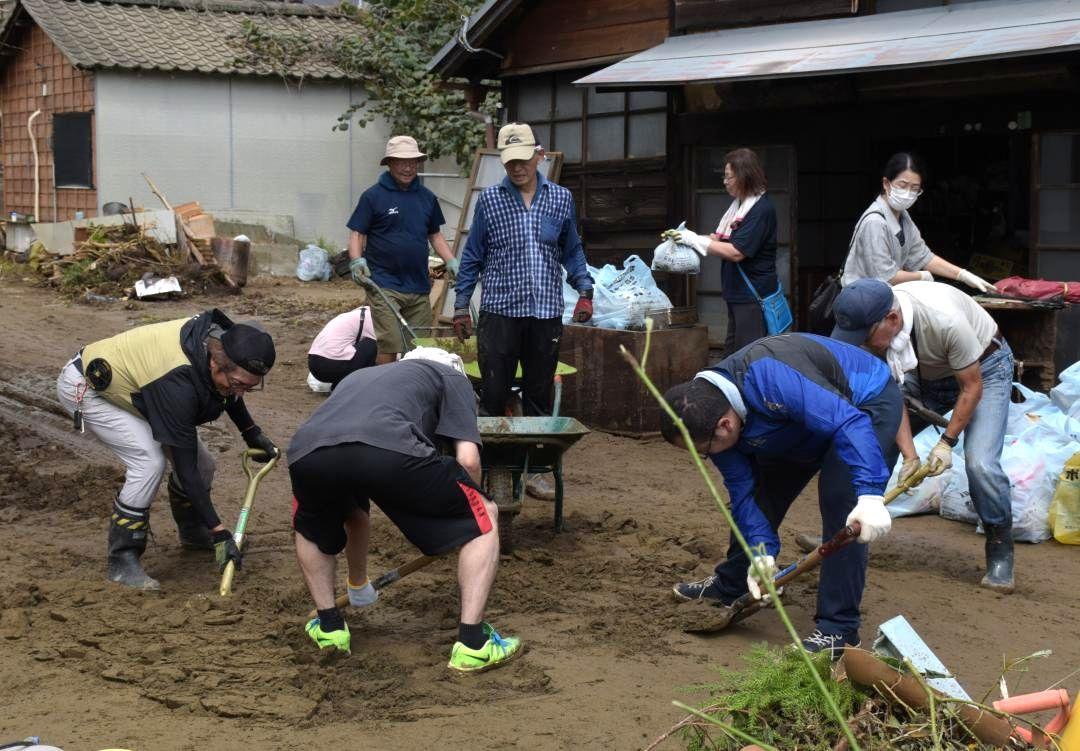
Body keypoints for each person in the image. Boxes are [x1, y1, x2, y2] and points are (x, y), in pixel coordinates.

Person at [662, 333, 902, 658]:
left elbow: (847, 422)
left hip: (862, 404)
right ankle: (735, 582)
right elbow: (743, 494)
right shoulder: (706, 409)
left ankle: (839, 630)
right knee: (761, 494)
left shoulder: (772, 378)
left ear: (725, 425)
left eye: (704, 451)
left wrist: (871, 495)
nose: (704, 457)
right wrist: (762, 554)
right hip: (790, 420)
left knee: (841, 501)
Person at [287, 348, 522, 672]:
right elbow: (468, 459)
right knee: (483, 515)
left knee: (310, 528)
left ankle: (329, 629)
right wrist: (465, 522)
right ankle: (473, 646)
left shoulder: (361, 375)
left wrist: (358, 585)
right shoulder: (452, 377)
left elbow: (355, 512)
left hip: (308, 452)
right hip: (387, 446)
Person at [55, 310, 279, 590]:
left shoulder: (229, 343)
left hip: (141, 385)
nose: (241, 392)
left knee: (204, 465)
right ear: (216, 364)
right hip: (90, 389)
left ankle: (192, 532)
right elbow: (184, 468)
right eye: (238, 384)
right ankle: (122, 559)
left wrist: (251, 432)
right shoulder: (178, 383)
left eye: (250, 386)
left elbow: (230, 392)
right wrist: (220, 531)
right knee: (148, 462)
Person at [831, 278, 1016, 593]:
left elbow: (971, 388)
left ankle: (1000, 546)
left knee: (980, 463)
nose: (863, 343)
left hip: (984, 367)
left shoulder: (944, 321)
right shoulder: (877, 332)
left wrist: (946, 444)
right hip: (925, 372)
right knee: (872, 444)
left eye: (866, 335)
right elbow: (893, 399)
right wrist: (910, 457)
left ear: (892, 320)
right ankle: (844, 532)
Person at [452, 122, 594, 419]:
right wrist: (461, 306)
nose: (517, 168)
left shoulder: (560, 198)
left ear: (538, 155)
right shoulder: (490, 200)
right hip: (500, 312)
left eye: (523, 159)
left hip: (545, 314)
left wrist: (585, 291)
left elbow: (571, 250)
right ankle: (490, 463)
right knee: (493, 395)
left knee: (538, 396)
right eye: (510, 161)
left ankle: (534, 460)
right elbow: (472, 256)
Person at [347, 135, 457, 363]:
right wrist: (357, 261)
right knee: (390, 342)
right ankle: (386, 393)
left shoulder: (427, 198)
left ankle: (412, 394)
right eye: (401, 162)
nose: (408, 167)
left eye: (412, 162)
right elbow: (357, 233)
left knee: (419, 347)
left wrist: (451, 261)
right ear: (389, 163)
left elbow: (434, 235)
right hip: (384, 284)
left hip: (418, 285)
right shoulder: (373, 196)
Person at [664, 147, 779, 352]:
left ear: (744, 176)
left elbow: (736, 252)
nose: (725, 181)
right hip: (738, 294)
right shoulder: (739, 206)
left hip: (753, 296)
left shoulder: (761, 210)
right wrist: (686, 237)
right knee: (734, 351)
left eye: (729, 177)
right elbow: (718, 239)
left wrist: (693, 240)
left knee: (747, 354)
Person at [841, 152, 996, 293]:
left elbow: (923, 256)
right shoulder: (874, 222)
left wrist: (962, 274)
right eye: (903, 185)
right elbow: (886, 276)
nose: (908, 193)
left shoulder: (904, 217)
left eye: (914, 188)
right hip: (861, 304)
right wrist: (921, 276)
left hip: (883, 299)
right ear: (886, 184)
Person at [307, 306, 377, 389]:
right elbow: (387, 349)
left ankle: (340, 384)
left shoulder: (354, 314)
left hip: (313, 364)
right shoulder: (371, 319)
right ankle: (348, 386)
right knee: (374, 345)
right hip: (331, 365)